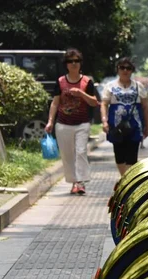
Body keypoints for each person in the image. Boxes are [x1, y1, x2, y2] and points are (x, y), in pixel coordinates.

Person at [45, 48, 98, 195]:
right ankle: (74, 182)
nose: (74, 64)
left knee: (81, 151)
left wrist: (81, 93)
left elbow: (94, 102)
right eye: (70, 61)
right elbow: (55, 103)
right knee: (68, 155)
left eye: (77, 61)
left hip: (82, 123)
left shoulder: (87, 82)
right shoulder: (61, 81)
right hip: (63, 124)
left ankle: (80, 182)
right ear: (66, 64)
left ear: (81, 63)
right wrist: (50, 121)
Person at [100, 57, 148, 177]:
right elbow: (104, 104)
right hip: (116, 125)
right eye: (122, 67)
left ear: (132, 70)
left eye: (128, 68)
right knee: (119, 154)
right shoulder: (110, 86)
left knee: (132, 155)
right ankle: (125, 179)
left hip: (135, 125)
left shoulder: (139, 86)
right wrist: (104, 121)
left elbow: (145, 106)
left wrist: (147, 126)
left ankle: (127, 181)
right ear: (117, 69)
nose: (125, 70)